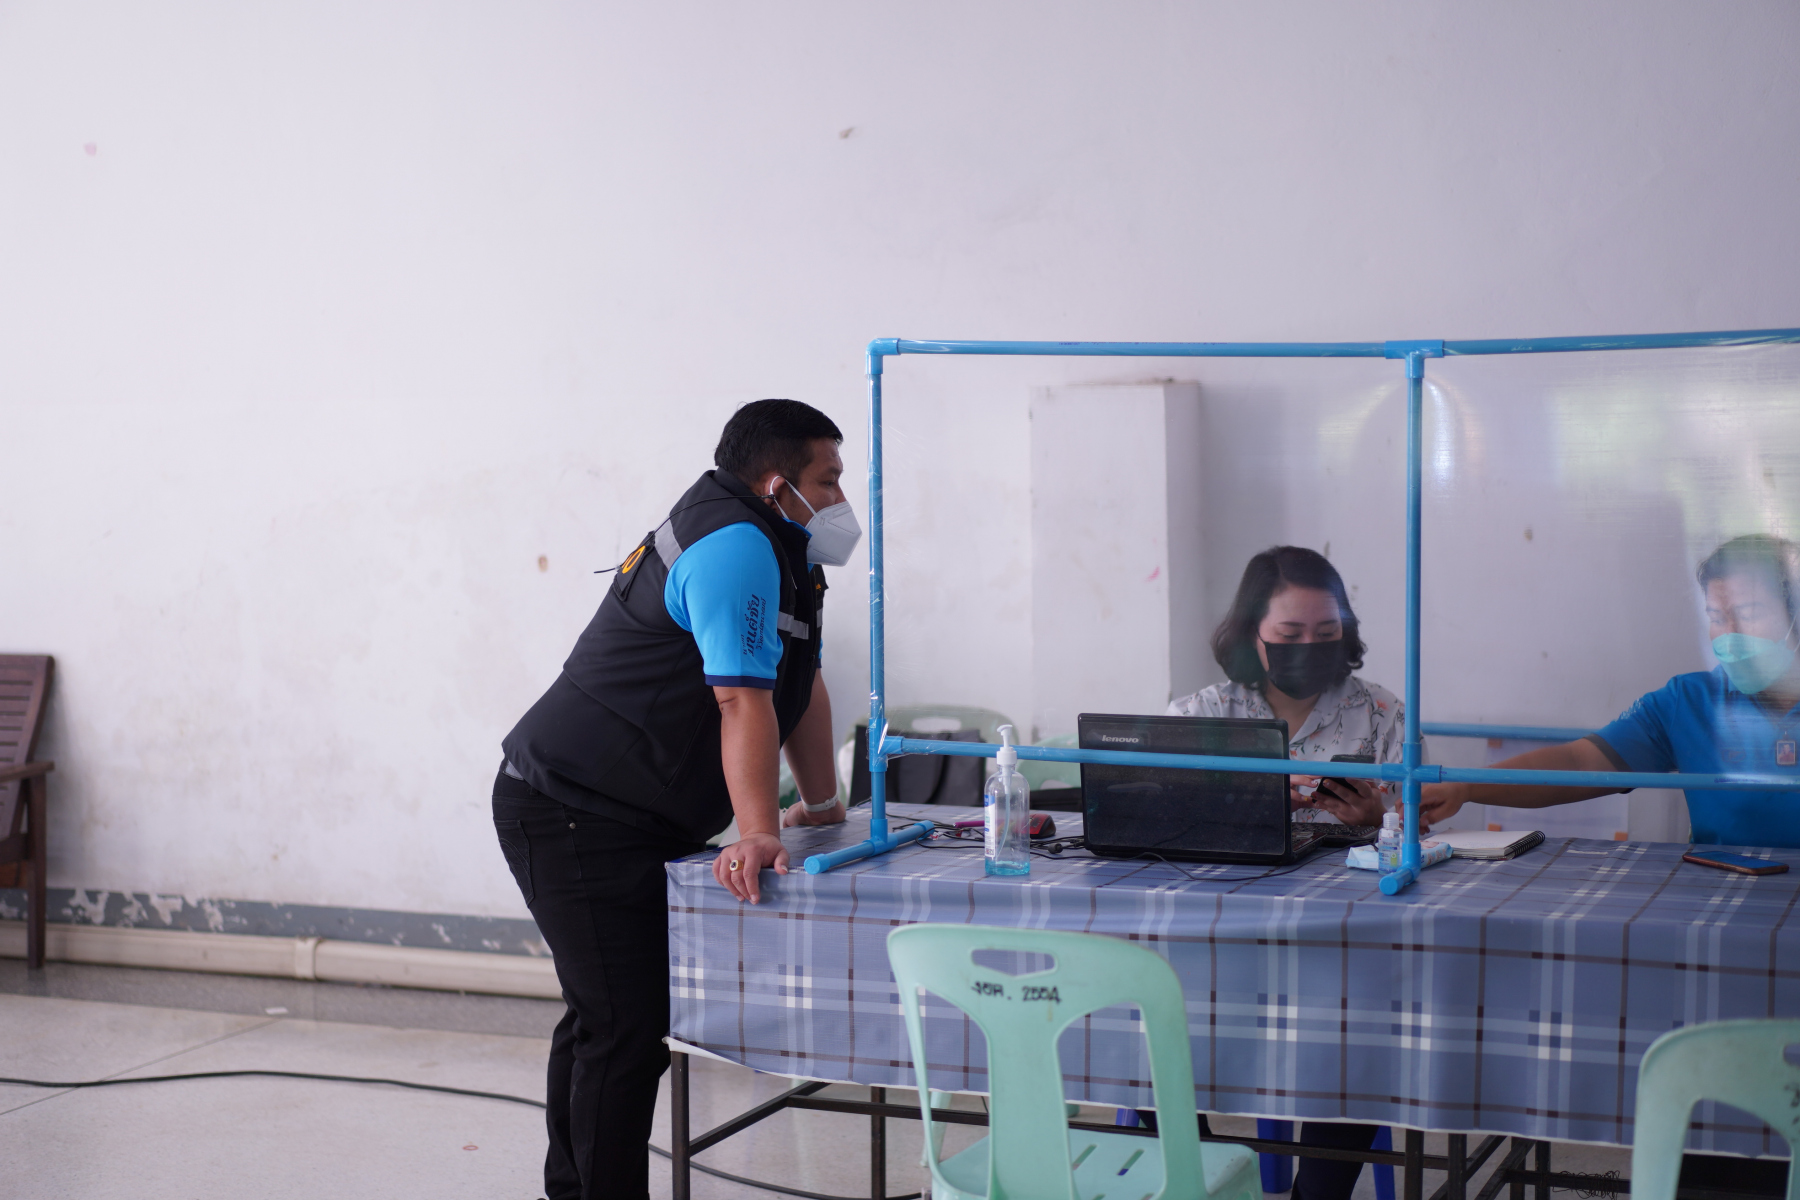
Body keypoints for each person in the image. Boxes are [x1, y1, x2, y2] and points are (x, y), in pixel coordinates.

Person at [493, 399, 856, 1200]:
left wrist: (823, 803)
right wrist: (758, 831)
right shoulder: (734, 547)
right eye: (827, 481)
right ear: (777, 484)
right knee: (622, 1029)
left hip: (627, 811)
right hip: (572, 807)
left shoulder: (784, 549)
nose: (840, 500)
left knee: (604, 1018)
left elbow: (801, 682)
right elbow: (740, 700)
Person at [1166, 545, 1418, 1200]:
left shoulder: (1383, 714)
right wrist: (1242, 806)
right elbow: (1155, 819)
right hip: (1219, 939)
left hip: (1341, 947)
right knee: (1148, 1010)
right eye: (1290, 633)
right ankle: (1208, 1177)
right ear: (1252, 633)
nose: (1310, 647)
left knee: (1370, 1025)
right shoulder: (1200, 718)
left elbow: (1425, 834)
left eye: (1327, 633)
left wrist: (1381, 819)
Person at [1422, 534, 1800, 844]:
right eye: (1717, 617)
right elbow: (1579, 763)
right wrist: (1466, 786)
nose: (1731, 635)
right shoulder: (1688, 702)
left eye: (1749, 613)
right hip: (1724, 893)